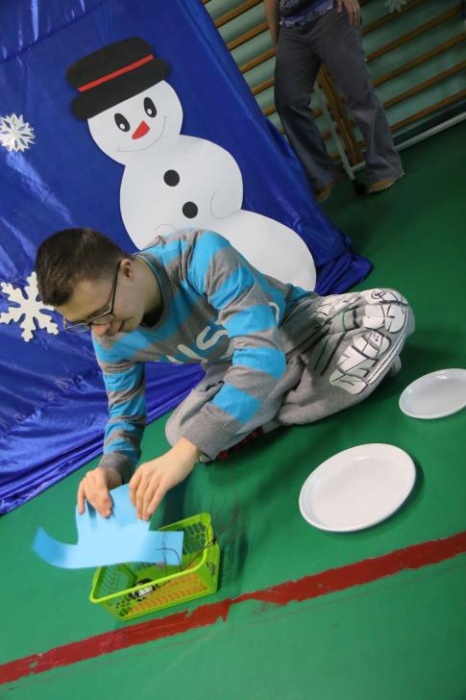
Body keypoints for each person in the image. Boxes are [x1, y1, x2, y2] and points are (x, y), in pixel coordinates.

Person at [36, 227, 414, 521]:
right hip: (232, 368)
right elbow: (125, 413)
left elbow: (261, 352)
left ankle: (270, 401)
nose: (100, 330)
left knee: (388, 310)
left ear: (127, 270)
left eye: (101, 313)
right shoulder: (108, 336)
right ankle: (304, 386)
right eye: (83, 323)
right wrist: (111, 469)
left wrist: (189, 450)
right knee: (180, 431)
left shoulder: (198, 254)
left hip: (297, 326)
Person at [264, 0, 404, 202]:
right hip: (292, 25)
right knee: (288, 101)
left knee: (358, 91)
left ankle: (385, 166)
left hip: (330, 11)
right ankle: (322, 176)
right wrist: (275, 36)